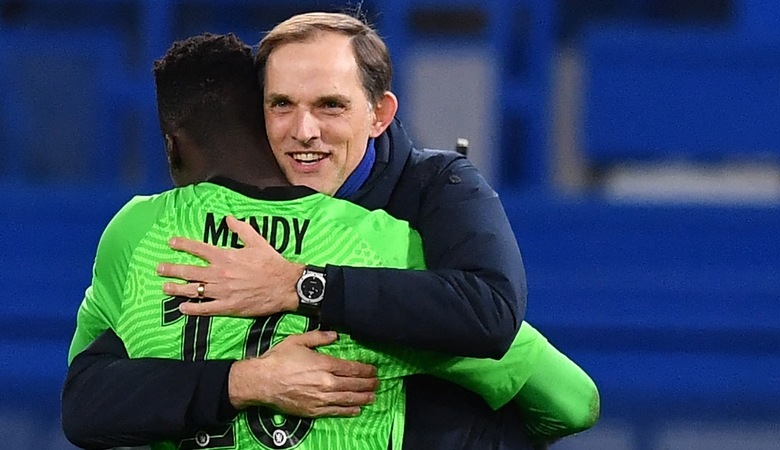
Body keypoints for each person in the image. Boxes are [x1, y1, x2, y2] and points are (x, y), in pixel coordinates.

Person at [62, 13, 598, 450]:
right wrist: (248, 380)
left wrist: (300, 285)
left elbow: (491, 311)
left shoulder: (434, 191)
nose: (304, 131)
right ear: (257, 114)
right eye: (282, 106)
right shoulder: (198, 234)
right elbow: (569, 401)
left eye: (330, 105)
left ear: (378, 114)